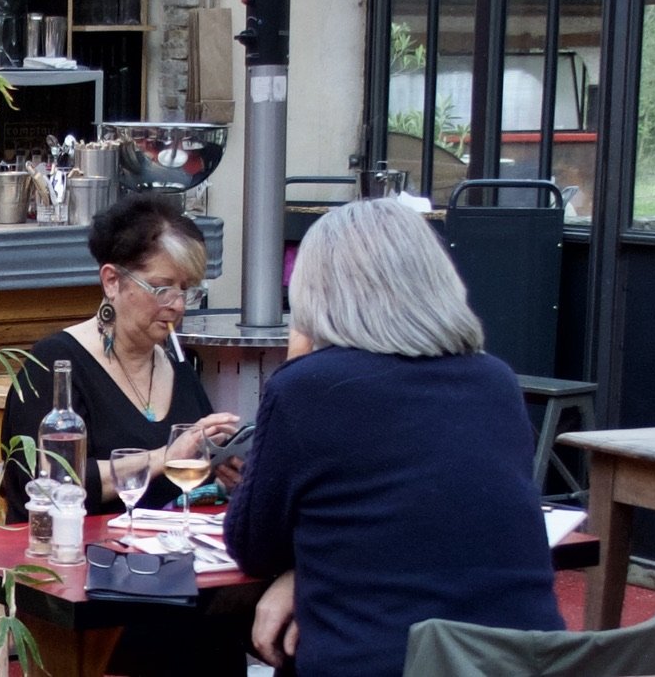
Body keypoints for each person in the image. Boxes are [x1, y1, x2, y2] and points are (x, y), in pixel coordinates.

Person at [224, 198, 564, 677]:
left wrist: (300, 359)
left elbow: (253, 546)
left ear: (316, 294)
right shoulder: (495, 381)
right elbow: (439, 517)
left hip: (387, 661)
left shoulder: (306, 387)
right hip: (523, 661)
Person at [1, 192, 239, 520]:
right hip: (75, 554)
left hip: (162, 552)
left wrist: (224, 468)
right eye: (162, 288)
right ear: (112, 281)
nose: (178, 304)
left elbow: (192, 477)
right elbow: (47, 483)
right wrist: (165, 457)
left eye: (186, 289)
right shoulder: (56, 363)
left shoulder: (177, 362)